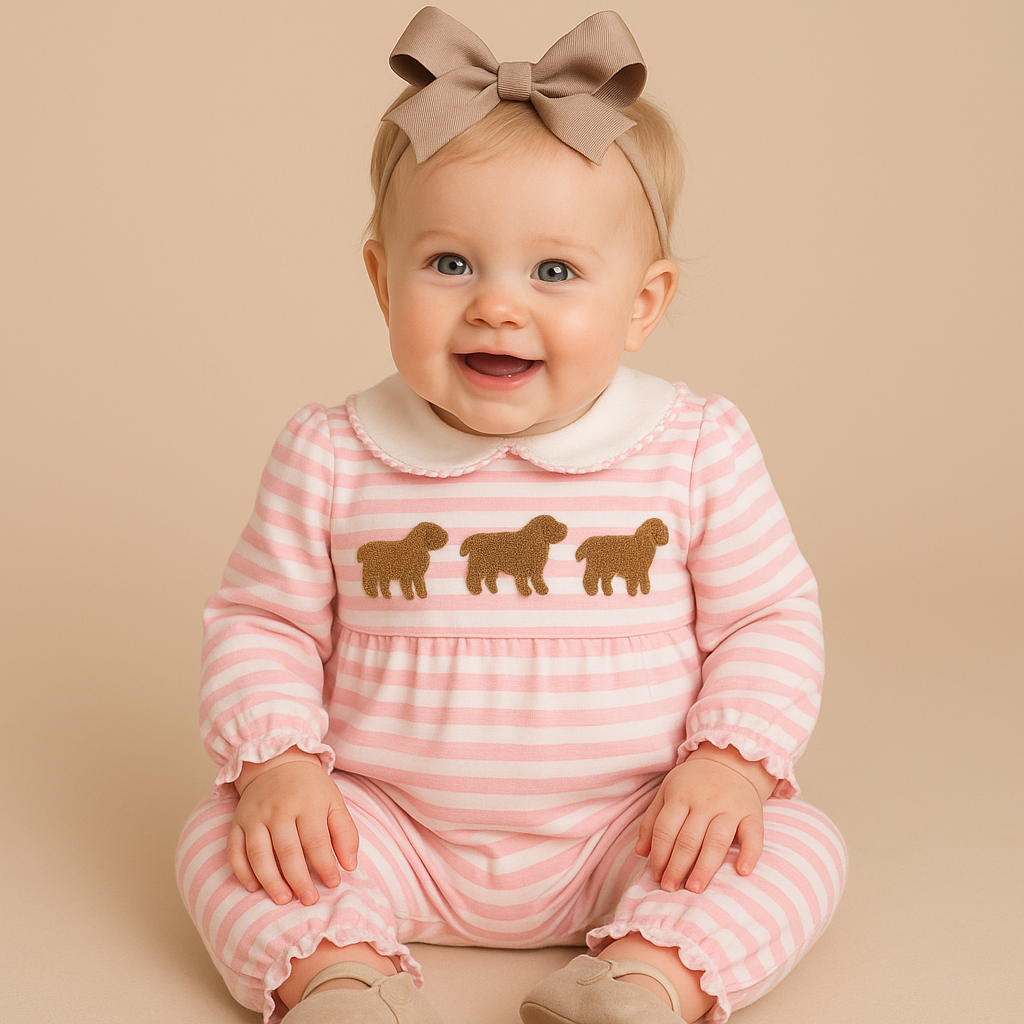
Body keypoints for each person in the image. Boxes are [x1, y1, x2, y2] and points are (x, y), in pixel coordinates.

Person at [176, 8, 846, 1023]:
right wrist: (277, 764)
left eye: (555, 272)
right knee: (221, 836)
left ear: (642, 302)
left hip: (633, 824)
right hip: (384, 823)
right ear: (379, 276)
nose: (496, 305)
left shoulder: (693, 443)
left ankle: (646, 976)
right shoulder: (332, 451)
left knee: (798, 844)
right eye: (449, 264)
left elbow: (768, 619)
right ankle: (340, 975)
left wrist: (727, 762)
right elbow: (261, 623)